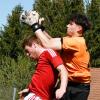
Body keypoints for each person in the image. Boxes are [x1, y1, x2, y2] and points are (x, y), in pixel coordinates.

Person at [20, 11, 91, 100]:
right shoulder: (70, 40)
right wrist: (41, 28)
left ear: (79, 29)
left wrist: (34, 25)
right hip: (69, 82)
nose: (67, 25)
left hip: (79, 87)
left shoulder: (77, 42)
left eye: (70, 24)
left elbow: (48, 44)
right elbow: (52, 40)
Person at [18, 36, 68, 100]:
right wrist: (29, 89)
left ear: (34, 45)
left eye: (27, 51)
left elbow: (63, 70)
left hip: (38, 96)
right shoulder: (39, 60)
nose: (27, 54)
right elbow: (42, 79)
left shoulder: (48, 52)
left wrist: (62, 89)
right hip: (33, 94)